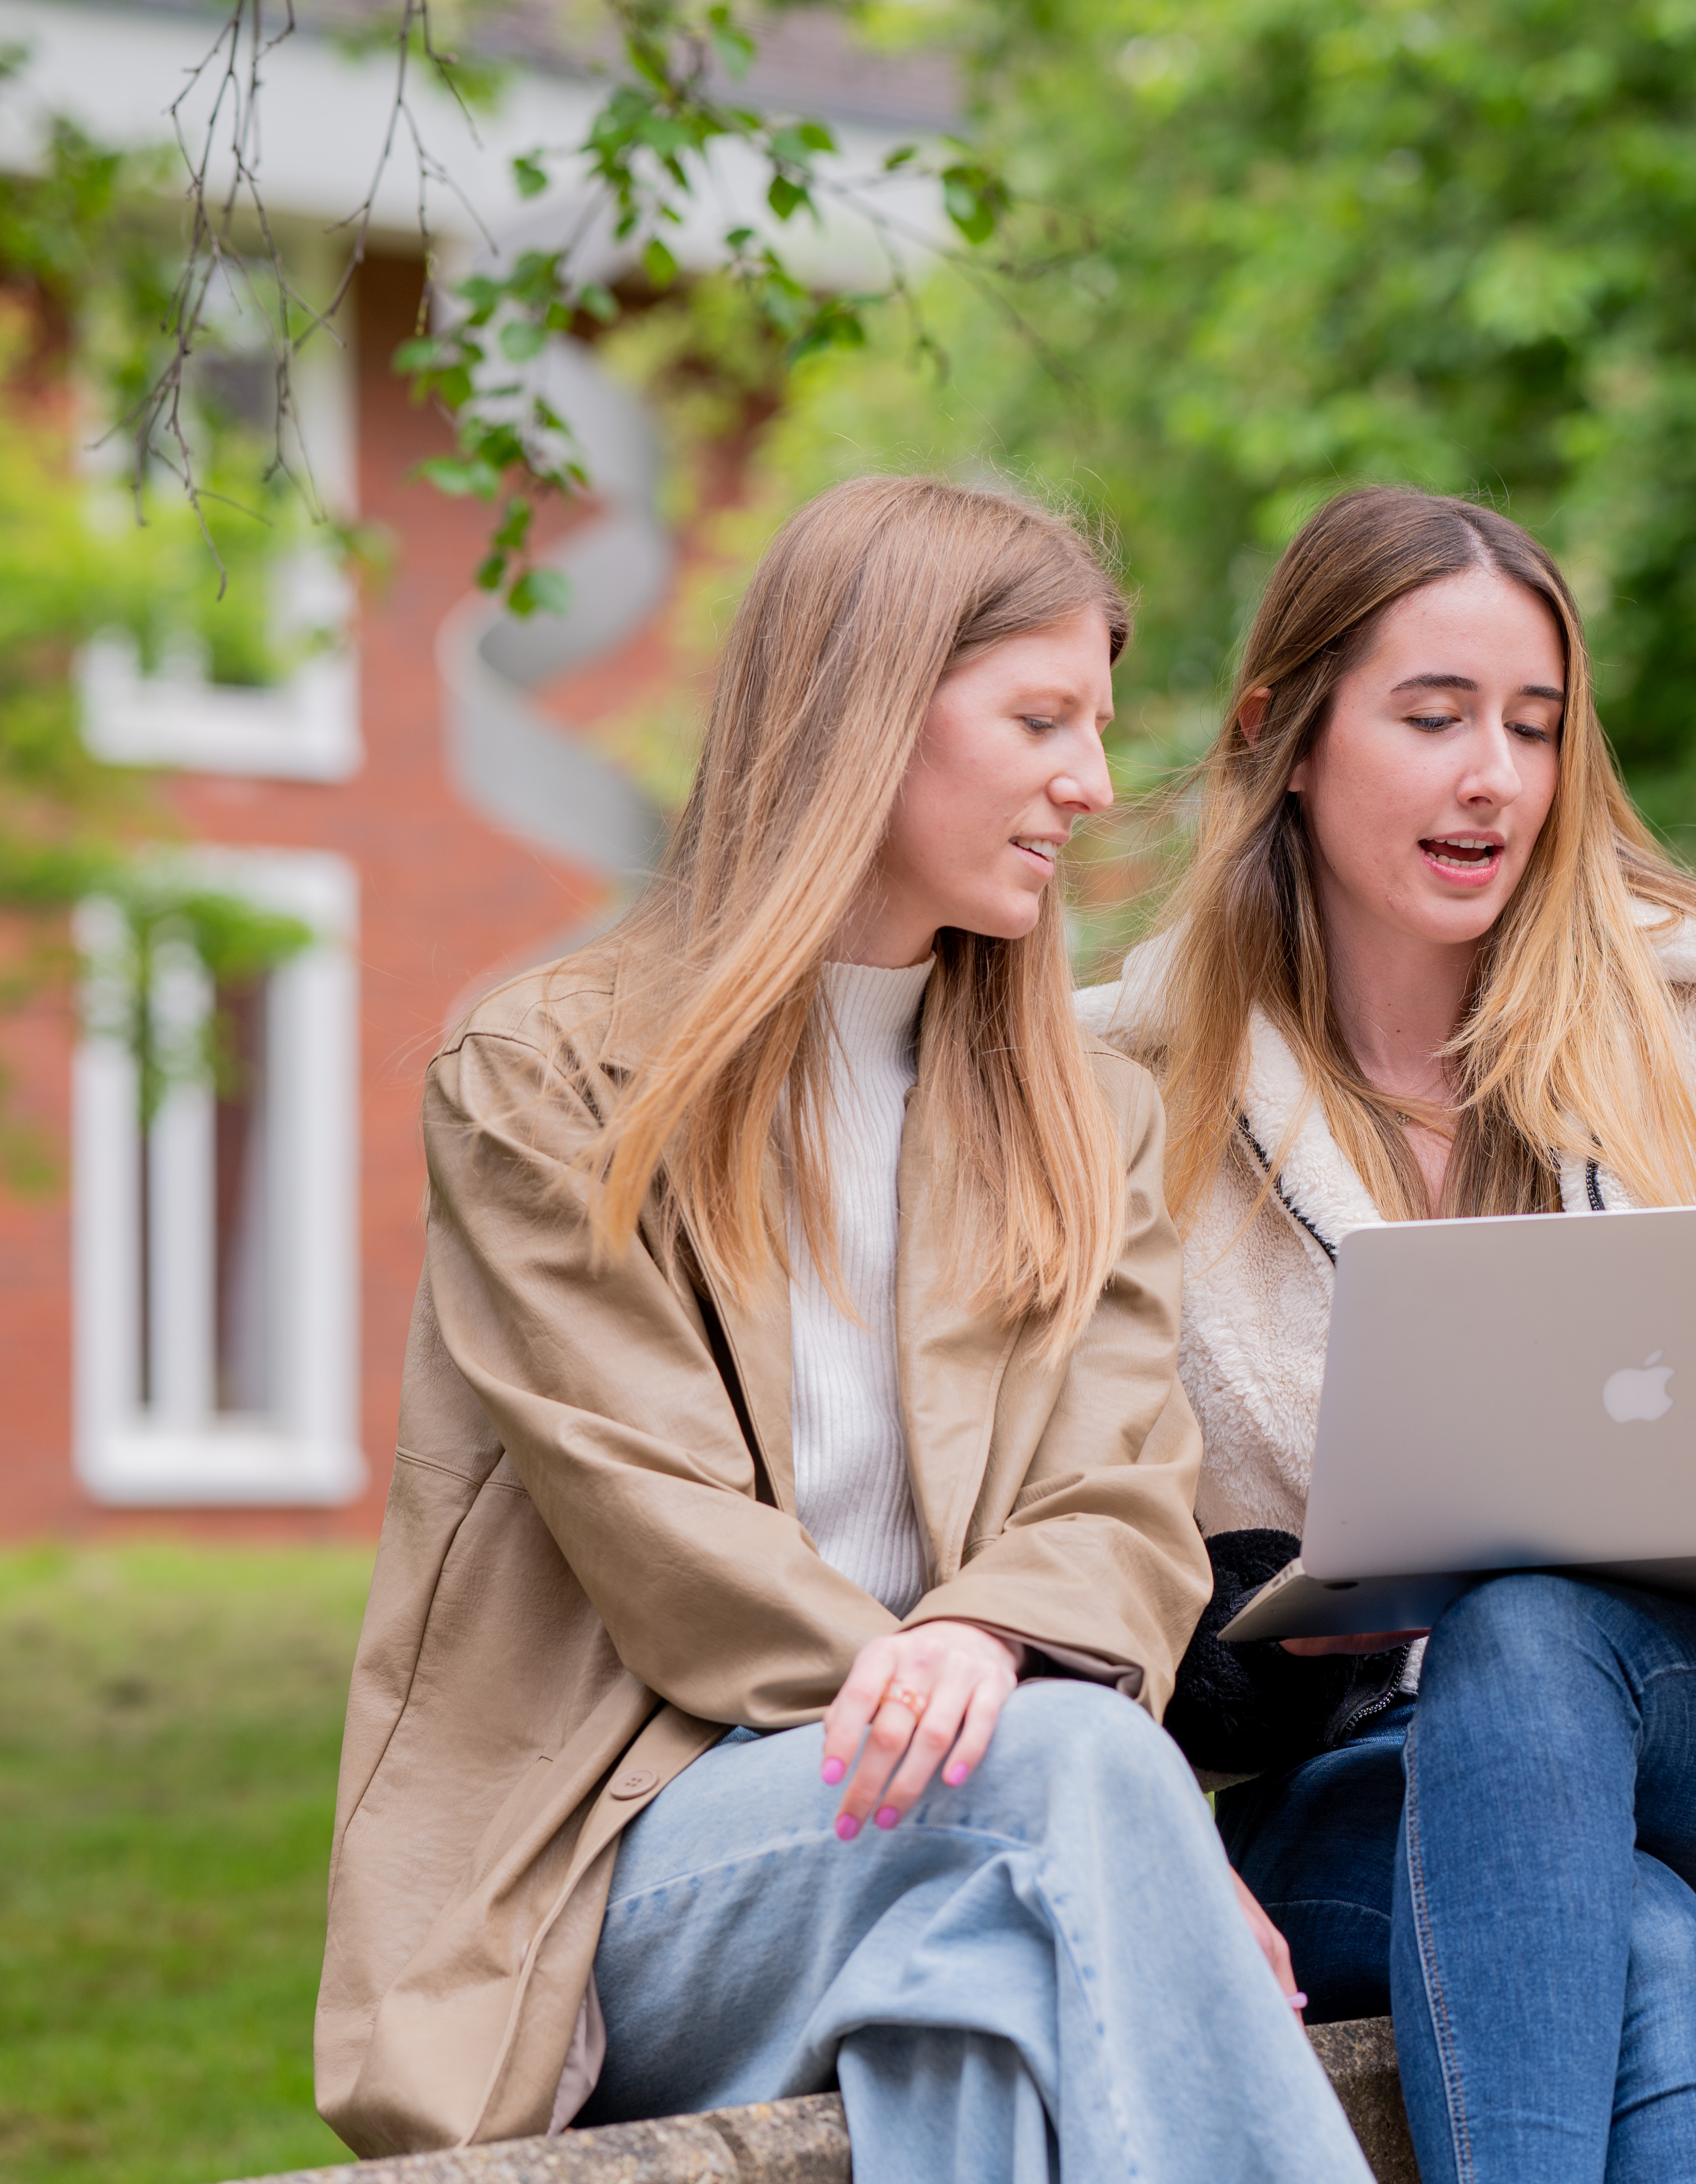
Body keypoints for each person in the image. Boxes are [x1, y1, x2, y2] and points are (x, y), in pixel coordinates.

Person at [313, 477, 1371, 2184]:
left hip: (972, 1835)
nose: (1090, 787)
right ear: (863, 709)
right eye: (1040, 721)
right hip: (624, 1865)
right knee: (1074, 1773)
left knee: (969, 2007)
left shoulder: (1082, 1114)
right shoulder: (546, 1077)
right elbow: (658, 1529)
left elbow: (1123, 1505)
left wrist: (1049, 1751)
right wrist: (1057, 1757)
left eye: (1093, 728)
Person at [1080, 485, 1696, 2184]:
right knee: (1642, 1948)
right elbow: (1092, 1528)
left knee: (1526, 1629)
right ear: (1280, 738)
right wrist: (1267, 1633)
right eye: (1432, 719)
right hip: (1359, 1794)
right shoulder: (1123, 1098)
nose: (1493, 779)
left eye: (1534, 727)